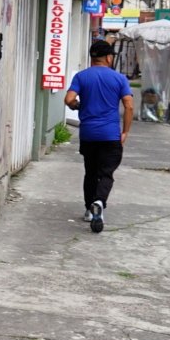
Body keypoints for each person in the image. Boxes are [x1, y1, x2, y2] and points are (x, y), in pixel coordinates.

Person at [64, 40, 133, 233]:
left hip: (88, 134)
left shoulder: (82, 76)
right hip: (111, 135)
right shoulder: (119, 79)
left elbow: (69, 99)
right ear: (109, 58)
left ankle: (89, 209)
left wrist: (78, 106)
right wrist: (125, 131)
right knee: (106, 174)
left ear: (92, 58)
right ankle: (99, 202)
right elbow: (129, 105)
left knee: (91, 172)